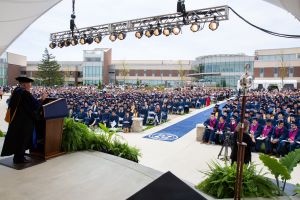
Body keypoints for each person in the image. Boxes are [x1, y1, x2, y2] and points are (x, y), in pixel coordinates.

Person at [1, 77, 47, 164]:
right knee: (23, 139)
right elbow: (35, 105)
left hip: (17, 120)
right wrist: (42, 99)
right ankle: (19, 159)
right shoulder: (25, 93)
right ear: (24, 84)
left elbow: (26, 104)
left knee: (18, 139)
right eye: (29, 84)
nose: (30, 85)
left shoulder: (16, 91)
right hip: (24, 121)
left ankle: (17, 157)